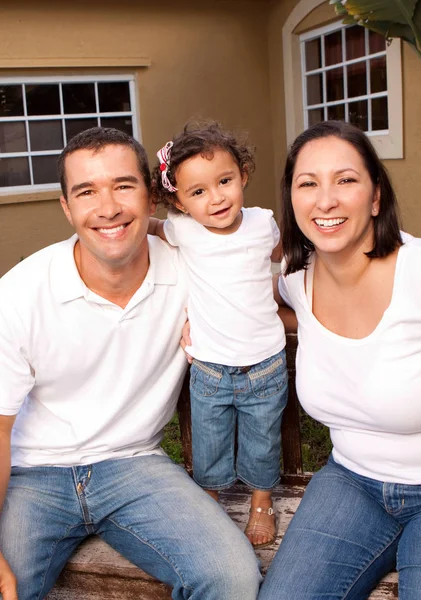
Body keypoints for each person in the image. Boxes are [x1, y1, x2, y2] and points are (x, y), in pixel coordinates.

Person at [0, 127, 262, 600]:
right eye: (86, 191)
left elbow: (274, 297)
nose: (108, 208)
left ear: (153, 196)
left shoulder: (191, 270)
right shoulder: (20, 294)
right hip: (32, 475)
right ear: (66, 207)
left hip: (134, 464)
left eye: (123, 185)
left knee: (232, 577)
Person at [258, 120, 421, 600]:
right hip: (352, 481)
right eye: (307, 183)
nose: (324, 200)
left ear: (375, 198)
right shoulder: (297, 281)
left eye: (345, 180)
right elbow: (244, 306)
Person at [148, 121, 289, 549]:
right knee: (209, 443)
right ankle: (209, 495)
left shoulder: (264, 223)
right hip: (209, 367)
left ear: (242, 175)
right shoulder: (182, 230)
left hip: (265, 362)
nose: (217, 197)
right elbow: (148, 228)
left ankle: (261, 501)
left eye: (225, 181)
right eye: (198, 192)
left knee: (263, 440)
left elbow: (282, 258)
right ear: (181, 202)